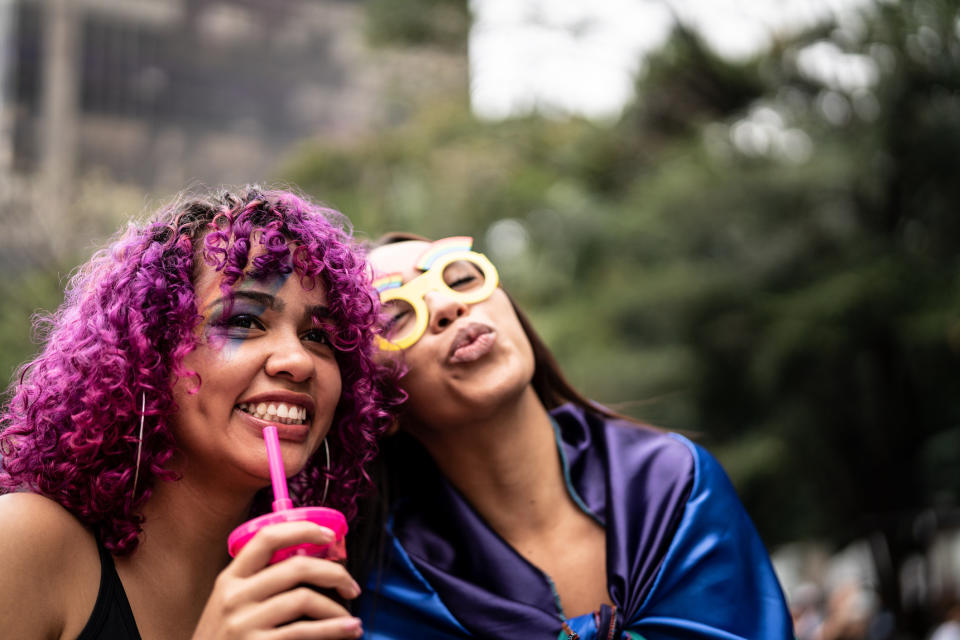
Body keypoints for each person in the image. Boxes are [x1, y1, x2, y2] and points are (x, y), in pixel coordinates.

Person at [354, 233, 795, 639]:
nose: (448, 307)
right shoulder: (391, 589)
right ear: (378, 406)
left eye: (464, 277)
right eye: (397, 316)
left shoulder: (674, 484)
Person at [0, 187, 390, 639]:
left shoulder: (309, 581)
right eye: (244, 321)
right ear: (148, 353)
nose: (298, 361)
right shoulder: (25, 540)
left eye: (319, 336)